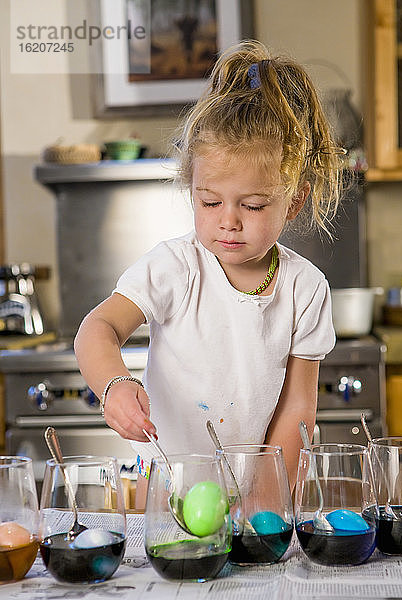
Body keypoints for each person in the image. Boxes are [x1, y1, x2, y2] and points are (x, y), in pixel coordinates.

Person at [74, 40, 344, 506]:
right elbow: (97, 329)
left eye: (253, 205)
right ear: (192, 191)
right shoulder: (176, 267)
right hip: (168, 492)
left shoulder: (305, 287)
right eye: (210, 201)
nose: (228, 220)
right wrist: (115, 385)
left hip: (255, 492)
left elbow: (297, 408)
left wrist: (265, 500)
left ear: (293, 202)